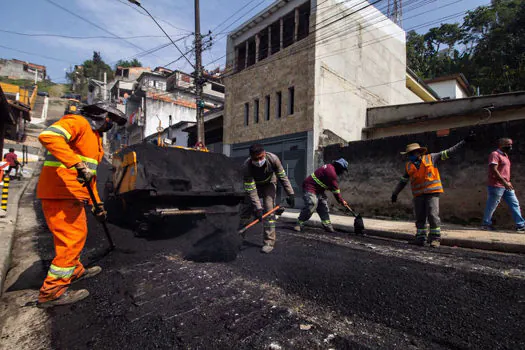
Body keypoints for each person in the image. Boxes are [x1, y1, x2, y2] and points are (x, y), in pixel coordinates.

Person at [36, 102, 126, 308]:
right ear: (101, 115)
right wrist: (75, 163)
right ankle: (52, 292)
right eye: (110, 120)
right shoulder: (77, 122)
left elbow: (88, 176)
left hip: (72, 194)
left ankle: (74, 271)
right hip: (60, 192)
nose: (110, 125)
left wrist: (96, 204)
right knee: (71, 240)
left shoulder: (95, 138)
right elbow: (48, 136)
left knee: (77, 235)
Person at [391, 133, 474, 247]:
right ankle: (420, 238)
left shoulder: (432, 158)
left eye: (412, 153)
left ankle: (435, 238)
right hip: (418, 195)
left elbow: (449, 152)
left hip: (432, 192)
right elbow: (403, 181)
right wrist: (395, 193)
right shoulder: (409, 166)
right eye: (409, 154)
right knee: (420, 217)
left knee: (432, 214)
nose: (410, 155)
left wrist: (464, 141)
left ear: (419, 152)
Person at [241, 144, 295, 253]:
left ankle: (269, 242)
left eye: (261, 157)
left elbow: (282, 177)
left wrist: (291, 193)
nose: (259, 161)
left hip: (269, 184)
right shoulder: (246, 167)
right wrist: (258, 208)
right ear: (251, 158)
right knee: (245, 211)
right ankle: (238, 237)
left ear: (264, 153)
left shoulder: (273, 159)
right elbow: (251, 190)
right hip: (255, 185)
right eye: (256, 159)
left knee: (269, 212)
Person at [294, 158, 350, 233]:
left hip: (318, 190)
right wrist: (341, 201)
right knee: (312, 204)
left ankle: (327, 226)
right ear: (339, 167)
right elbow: (335, 190)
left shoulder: (330, 167)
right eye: (342, 170)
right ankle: (299, 223)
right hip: (310, 187)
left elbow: (328, 185)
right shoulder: (331, 173)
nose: (342, 172)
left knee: (323, 205)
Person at [481, 138, 525, 232]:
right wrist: (504, 182)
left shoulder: (505, 155)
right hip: (496, 185)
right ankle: (486, 224)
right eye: (508, 144)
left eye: (511, 144)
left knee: (515, 204)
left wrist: (507, 182)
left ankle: (520, 225)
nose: (510, 146)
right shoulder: (495, 154)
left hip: (507, 185)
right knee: (492, 205)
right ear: (501, 144)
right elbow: (494, 169)